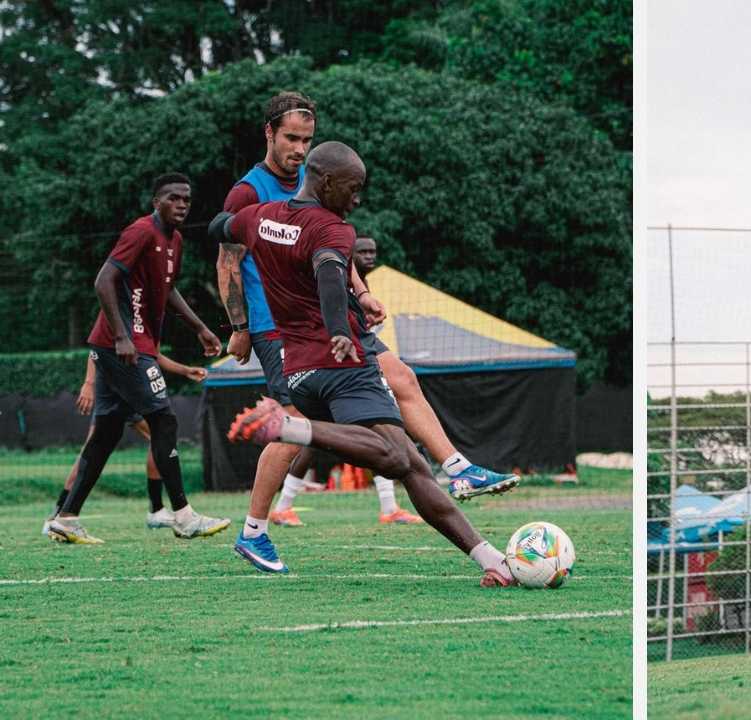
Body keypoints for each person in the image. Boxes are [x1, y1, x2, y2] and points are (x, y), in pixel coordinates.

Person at [216, 93, 518, 542]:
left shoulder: (315, 180)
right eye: (291, 139)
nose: (299, 149)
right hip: (280, 326)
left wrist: (361, 293)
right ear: (269, 134)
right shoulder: (249, 191)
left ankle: (459, 468)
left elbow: (331, 250)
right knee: (291, 425)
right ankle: (256, 528)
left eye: (307, 140)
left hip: (332, 323)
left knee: (401, 378)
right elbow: (227, 259)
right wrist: (239, 327)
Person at [47, 173, 228, 544]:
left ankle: (65, 518)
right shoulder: (141, 232)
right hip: (123, 348)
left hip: (131, 346)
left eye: (186, 200)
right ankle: (182, 515)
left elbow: (167, 289)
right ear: (155, 201)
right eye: (173, 198)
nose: (181, 204)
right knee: (164, 419)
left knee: (107, 434)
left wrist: (200, 328)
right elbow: (104, 280)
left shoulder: (174, 240)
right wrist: (121, 335)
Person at [42, 353, 208, 536]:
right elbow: (95, 351)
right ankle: (58, 517)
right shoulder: (114, 326)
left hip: (130, 389)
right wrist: (89, 383)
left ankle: (157, 509)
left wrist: (184, 370)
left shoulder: (140, 329)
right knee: (94, 451)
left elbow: (152, 352)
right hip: (119, 392)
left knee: (158, 439)